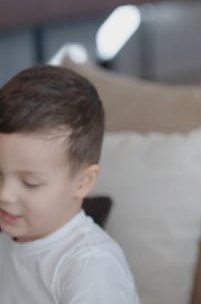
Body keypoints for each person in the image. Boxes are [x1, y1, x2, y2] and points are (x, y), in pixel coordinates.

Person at [0, 65, 140, 303]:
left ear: (83, 183)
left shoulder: (90, 266)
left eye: (30, 183)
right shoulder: (10, 235)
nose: (5, 195)